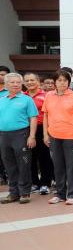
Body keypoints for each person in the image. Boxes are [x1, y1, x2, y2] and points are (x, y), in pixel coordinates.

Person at [42, 70, 73, 205]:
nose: (62, 83)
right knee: (58, 166)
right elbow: (45, 115)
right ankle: (60, 194)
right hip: (54, 136)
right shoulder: (49, 95)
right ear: (55, 82)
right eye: (59, 80)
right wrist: (45, 134)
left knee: (72, 166)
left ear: (69, 82)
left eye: (65, 80)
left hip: (71, 136)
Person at [0, 73, 38, 204]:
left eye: (18, 82)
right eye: (12, 82)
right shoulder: (1, 99)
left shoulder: (27, 99)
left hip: (21, 134)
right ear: (6, 84)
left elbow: (33, 118)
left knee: (23, 164)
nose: (15, 85)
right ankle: (13, 193)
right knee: (9, 165)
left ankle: (25, 193)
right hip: (4, 136)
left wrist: (32, 136)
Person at [24, 72, 52, 195]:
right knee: (30, 157)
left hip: (42, 128)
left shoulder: (46, 96)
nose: (30, 83)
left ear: (38, 82)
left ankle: (45, 183)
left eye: (32, 80)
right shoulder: (22, 96)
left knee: (44, 157)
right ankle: (34, 182)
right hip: (26, 129)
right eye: (27, 81)